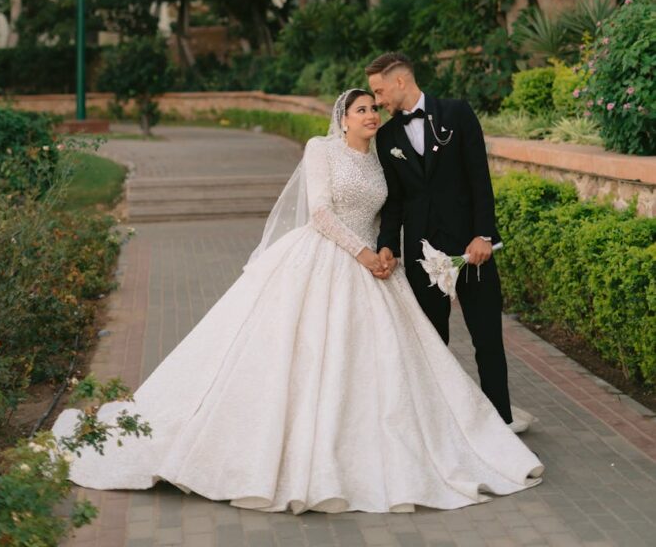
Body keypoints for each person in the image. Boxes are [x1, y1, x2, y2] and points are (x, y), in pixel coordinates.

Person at [52, 89, 542, 513]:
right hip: (323, 259)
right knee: (297, 354)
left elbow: (390, 211)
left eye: (374, 108)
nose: (372, 115)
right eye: (362, 109)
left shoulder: (382, 157)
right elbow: (322, 213)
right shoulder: (319, 149)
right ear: (343, 118)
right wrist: (364, 253)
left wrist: (385, 250)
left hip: (375, 269)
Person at [366, 51, 525, 431]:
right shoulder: (387, 137)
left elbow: (479, 180)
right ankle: (441, 427)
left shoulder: (457, 114)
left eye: (379, 90)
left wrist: (483, 235)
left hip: (472, 251)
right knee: (432, 344)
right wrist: (388, 244)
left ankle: (500, 422)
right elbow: (395, 201)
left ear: (400, 81)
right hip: (423, 255)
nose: (377, 102)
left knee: (487, 340)